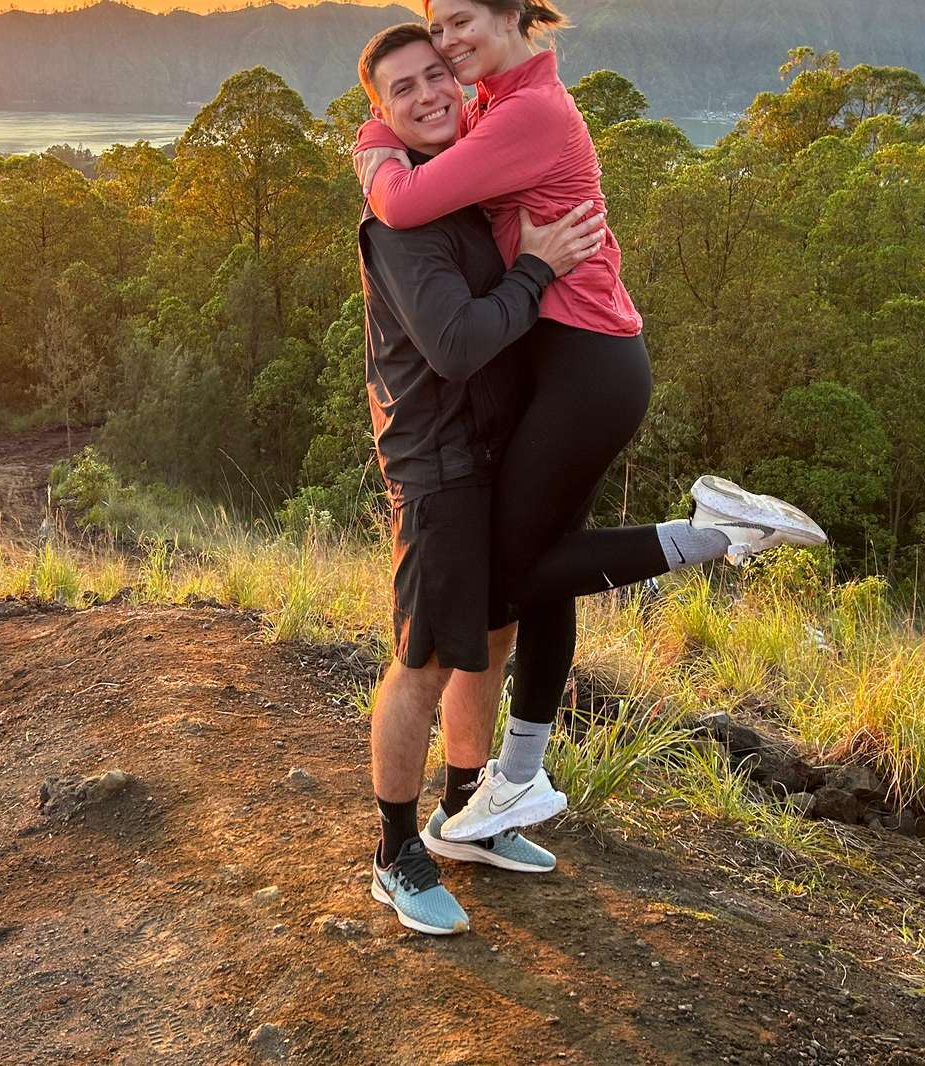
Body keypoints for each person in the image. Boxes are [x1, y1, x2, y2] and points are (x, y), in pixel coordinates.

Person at [353, 0, 828, 848]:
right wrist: (387, 122)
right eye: (437, 28)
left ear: (510, 14)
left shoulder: (526, 112)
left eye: (460, 23)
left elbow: (403, 200)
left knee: (511, 571)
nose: (450, 45)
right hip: (574, 363)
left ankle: (713, 535)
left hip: (584, 366)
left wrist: (372, 149)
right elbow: (429, 139)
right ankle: (513, 782)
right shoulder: (497, 102)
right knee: (535, 577)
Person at [353, 22, 606, 935]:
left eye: (437, 75)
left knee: (493, 636)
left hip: (495, 447)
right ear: (382, 114)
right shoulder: (401, 226)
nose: (429, 94)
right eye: (403, 90)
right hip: (437, 462)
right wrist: (537, 268)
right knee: (423, 659)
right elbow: (457, 345)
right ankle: (395, 853)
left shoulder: (460, 184)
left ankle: (466, 814)